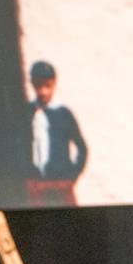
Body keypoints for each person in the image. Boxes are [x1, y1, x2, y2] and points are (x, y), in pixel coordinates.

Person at [24, 60, 87, 207]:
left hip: (61, 183)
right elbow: (20, 145)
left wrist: (72, 175)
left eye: (47, 86)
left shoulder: (64, 114)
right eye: (38, 85)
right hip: (37, 185)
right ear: (32, 84)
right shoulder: (27, 112)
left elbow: (82, 147)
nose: (43, 91)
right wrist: (26, 176)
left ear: (54, 84)